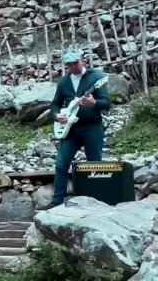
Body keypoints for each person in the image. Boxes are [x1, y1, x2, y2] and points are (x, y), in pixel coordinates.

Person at [44, 47, 111, 209]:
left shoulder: (96, 78)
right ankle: (57, 201)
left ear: (83, 60)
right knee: (61, 164)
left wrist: (94, 103)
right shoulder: (64, 82)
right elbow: (55, 104)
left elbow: (106, 103)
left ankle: (96, 201)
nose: (72, 67)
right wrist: (57, 115)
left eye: (75, 63)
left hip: (92, 127)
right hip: (71, 130)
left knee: (95, 165)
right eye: (69, 65)